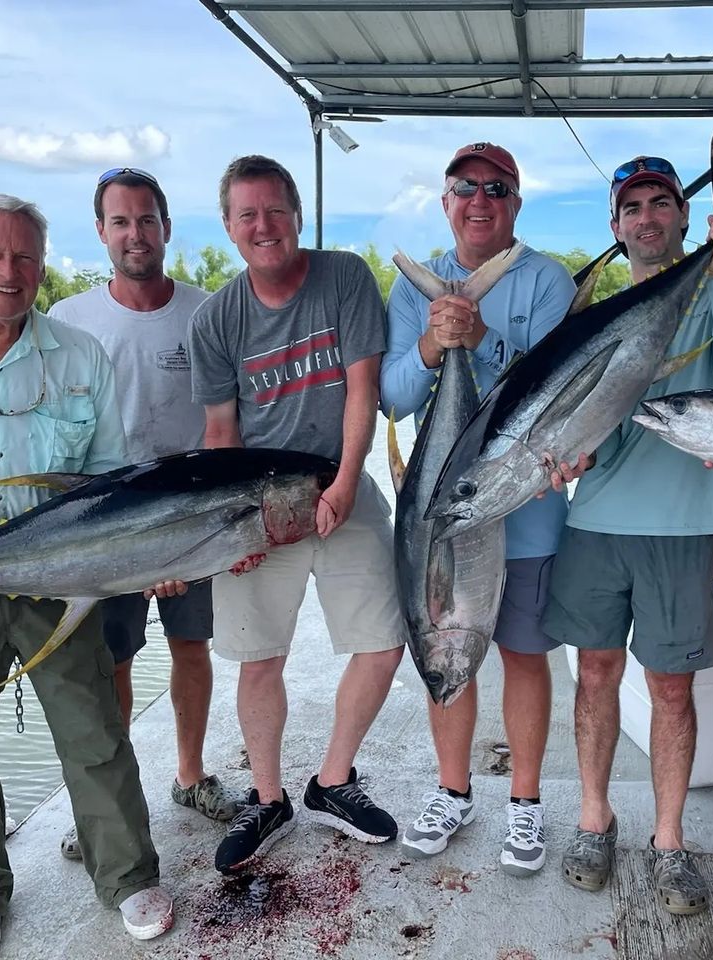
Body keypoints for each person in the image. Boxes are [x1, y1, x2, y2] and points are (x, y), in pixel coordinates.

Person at [541, 152, 713, 913]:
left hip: (682, 528)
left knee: (674, 693)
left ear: (683, 217)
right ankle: (593, 818)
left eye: (660, 203)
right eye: (632, 207)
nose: (646, 217)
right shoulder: (597, 315)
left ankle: (668, 841)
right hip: (596, 524)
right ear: (615, 226)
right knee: (596, 677)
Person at [188, 155, 407, 875]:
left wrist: (346, 483)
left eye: (275, 210)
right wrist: (231, 530)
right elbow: (222, 432)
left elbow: (361, 389)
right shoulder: (217, 317)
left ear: (297, 216)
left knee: (383, 640)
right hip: (254, 501)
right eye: (247, 214)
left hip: (336, 479)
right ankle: (269, 795)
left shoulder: (344, 276)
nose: (263, 226)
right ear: (228, 227)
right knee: (258, 656)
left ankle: (332, 781)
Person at [382, 142, 578, 875]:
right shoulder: (412, 287)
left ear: (515, 205)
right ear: (447, 202)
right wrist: (438, 338)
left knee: (526, 655)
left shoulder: (548, 281)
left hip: (524, 506)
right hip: (437, 510)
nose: (480, 199)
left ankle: (524, 804)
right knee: (444, 645)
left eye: (497, 188)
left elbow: (551, 389)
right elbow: (395, 396)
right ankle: (453, 790)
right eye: (466, 187)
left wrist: (482, 336)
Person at [49, 169, 243, 865]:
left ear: (167, 226)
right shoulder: (69, 319)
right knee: (114, 662)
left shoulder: (210, 310)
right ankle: (111, 802)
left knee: (193, 648)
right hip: (101, 523)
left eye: (147, 219)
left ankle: (190, 776)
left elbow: (231, 418)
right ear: (101, 232)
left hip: (194, 520)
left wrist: (180, 550)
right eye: (121, 222)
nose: (136, 234)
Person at [0, 194, 174, 942]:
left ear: (43, 264)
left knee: (94, 730)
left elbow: (109, 487)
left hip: (62, 574)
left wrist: (156, 554)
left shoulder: (78, 354)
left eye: (25, 256)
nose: (10, 272)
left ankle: (128, 875)